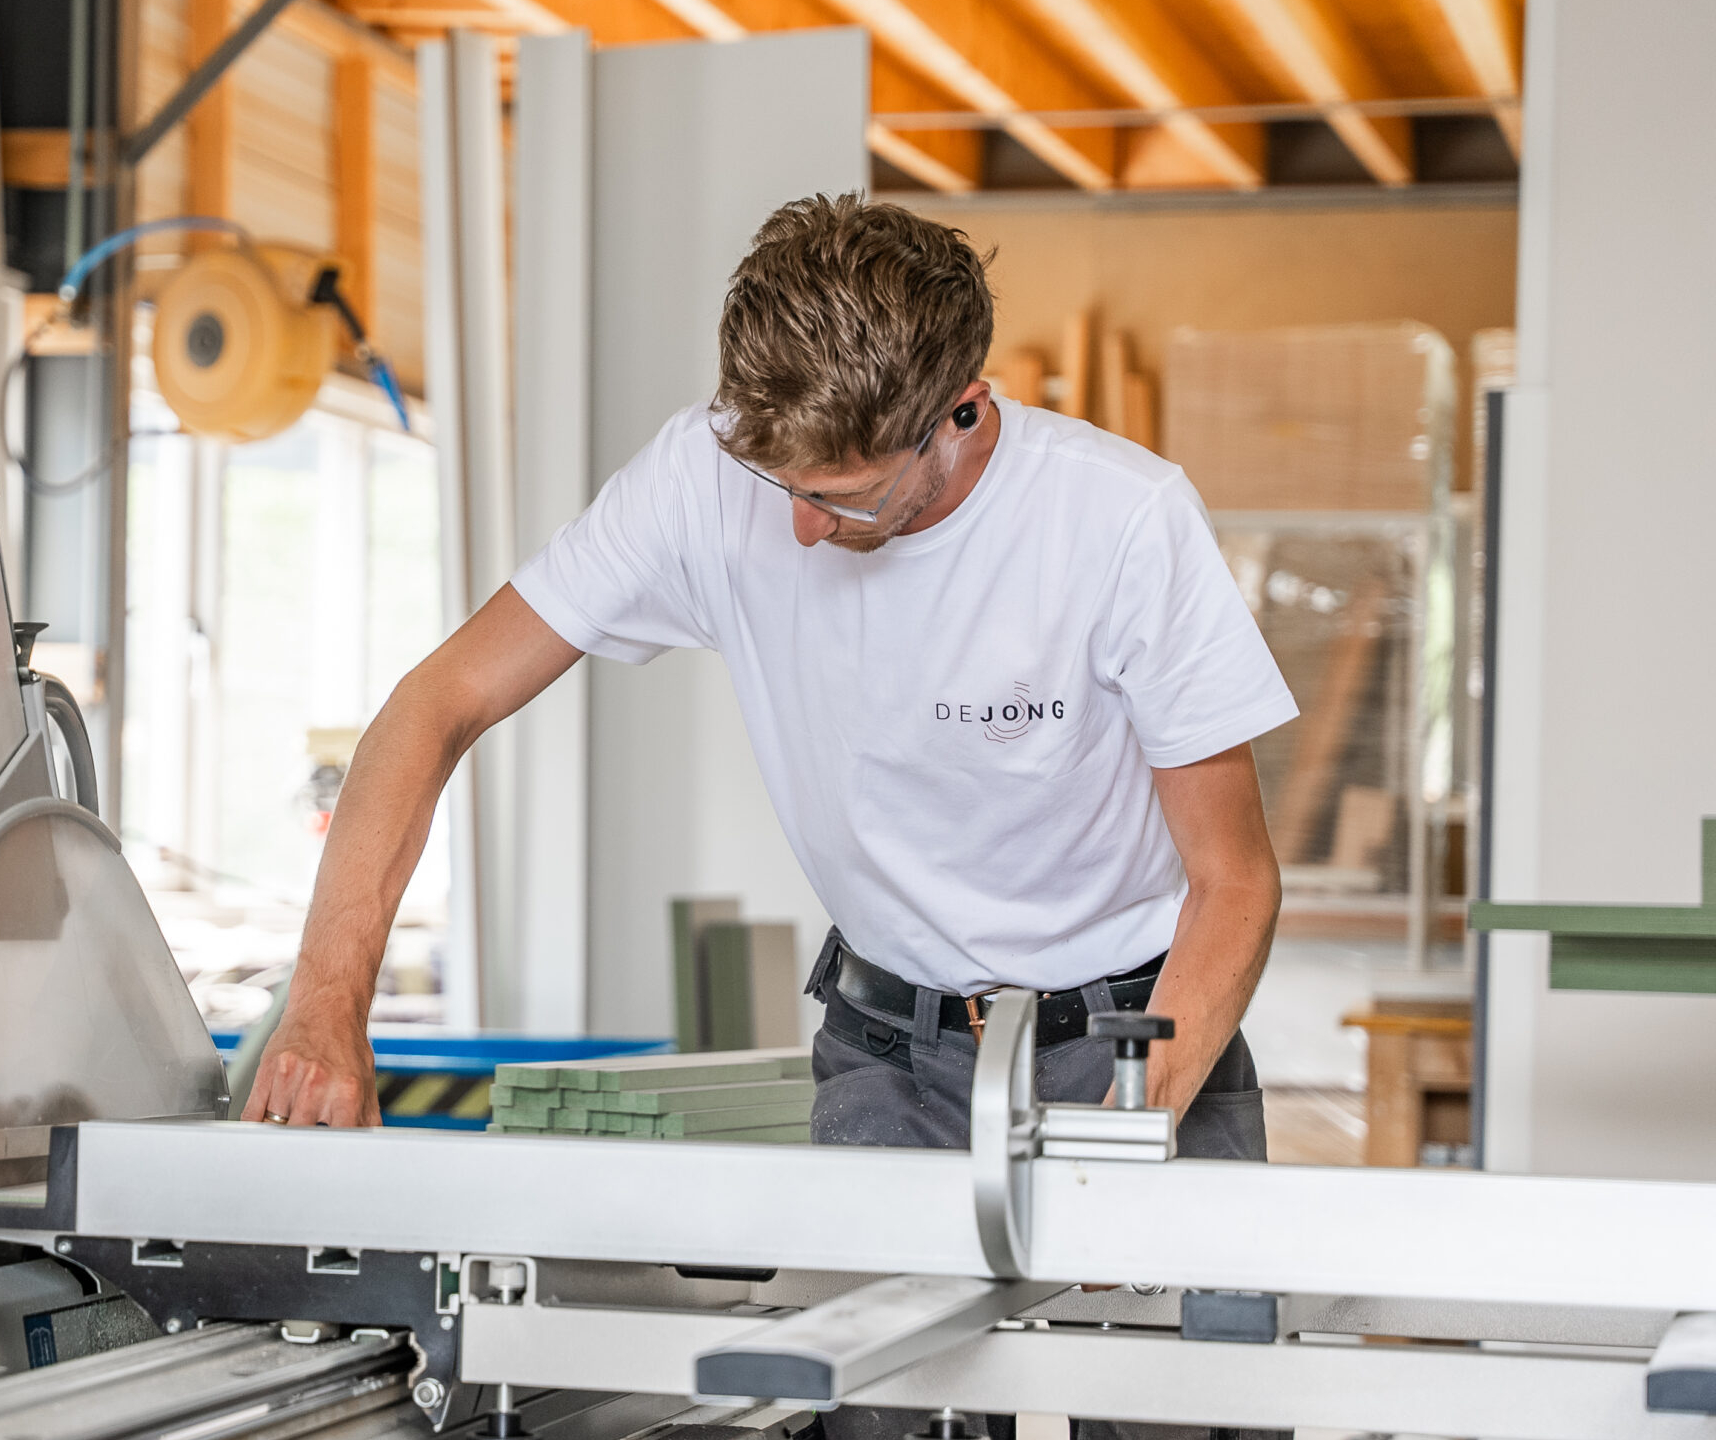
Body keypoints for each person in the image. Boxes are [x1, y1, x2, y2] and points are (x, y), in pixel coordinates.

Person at [243, 195, 1298, 1439]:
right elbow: (434, 707)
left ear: (959, 411)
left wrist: (1133, 1127)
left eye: (841, 498)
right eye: (776, 483)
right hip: (892, 1060)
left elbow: (1233, 881)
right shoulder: (698, 478)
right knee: (867, 1406)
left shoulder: (1118, 522)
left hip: (1130, 1037)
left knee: (1176, 1409)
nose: (798, 526)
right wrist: (326, 998)